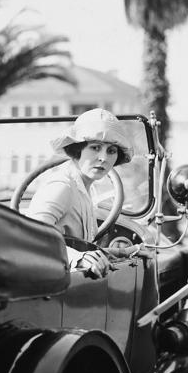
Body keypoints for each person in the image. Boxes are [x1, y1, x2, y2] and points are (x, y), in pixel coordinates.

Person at [25, 108, 133, 278]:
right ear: (77, 150)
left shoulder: (83, 188)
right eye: (95, 148)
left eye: (111, 151)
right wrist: (79, 259)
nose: (103, 158)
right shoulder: (62, 186)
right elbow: (31, 237)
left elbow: (79, 246)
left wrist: (123, 253)